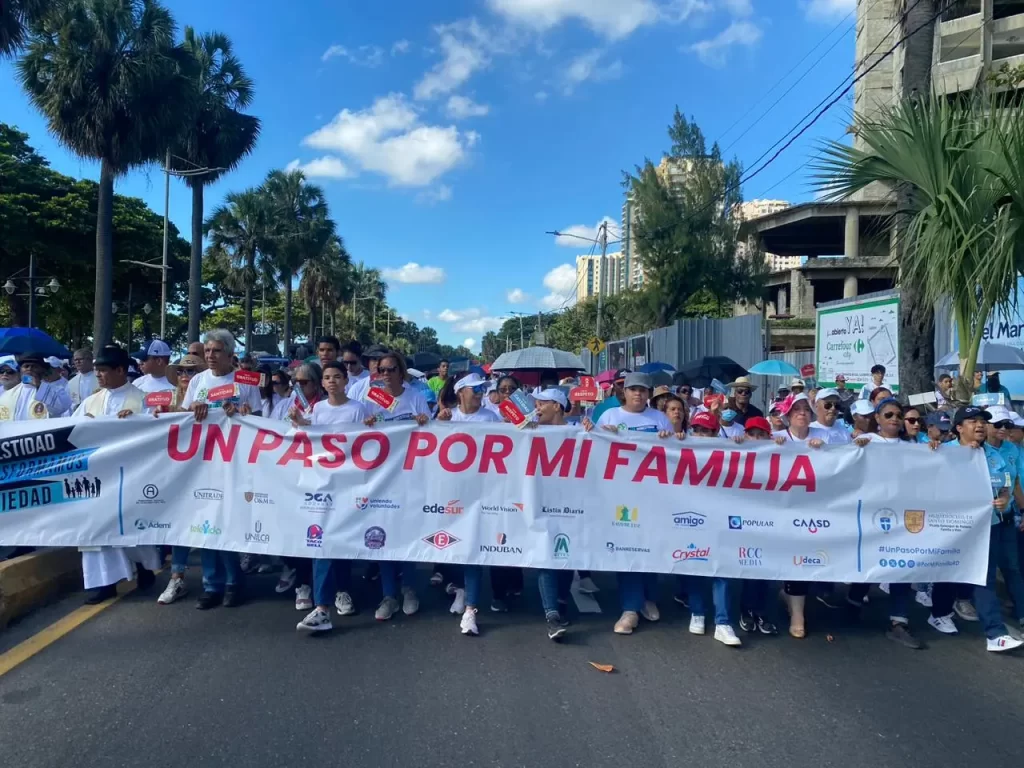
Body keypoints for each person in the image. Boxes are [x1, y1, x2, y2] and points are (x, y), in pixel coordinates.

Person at [586, 372, 679, 637]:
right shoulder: (610, 417)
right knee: (627, 548)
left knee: (650, 546)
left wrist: (669, 439)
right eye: (633, 389)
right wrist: (603, 434)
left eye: (643, 390)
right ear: (624, 392)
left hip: (653, 494)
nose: (638, 394)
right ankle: (629, 609)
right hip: (620, 494)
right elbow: (594, 450)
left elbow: (675, 454)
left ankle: (647, 597)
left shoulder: (659, 419)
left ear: (649, 394)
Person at [180, 329, 263, 610]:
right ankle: (210, 584)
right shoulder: (197, 381)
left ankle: (233, 582)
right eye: (207, 351)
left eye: (216, 351)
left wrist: (240, 412)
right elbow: (183, 417)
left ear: (230, 354)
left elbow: (259, 418)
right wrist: (194, 406)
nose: (210, 356)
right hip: (203, 462)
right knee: (204, 523)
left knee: (227, 522)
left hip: (234, 461)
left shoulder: (245, 381)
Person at [73, 346, 160, 604]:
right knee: (95, 529)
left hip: (128, 474)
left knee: (129, 525)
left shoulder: (142, 399)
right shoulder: (91, 402)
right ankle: (104, 583)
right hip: (95, 475)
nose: (98, 375)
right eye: (97, 370)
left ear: (120, 370)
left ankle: (144, 567)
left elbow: (156, 428)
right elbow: (70, 430)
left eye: (102, 370)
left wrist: (137, 420)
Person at [933, 406, 1024, 652]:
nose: (980, 425)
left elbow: (1006, 484)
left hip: (988, 526)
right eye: (972, 421)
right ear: (959, 428)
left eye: (983, 421)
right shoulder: (943, 452)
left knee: (984, 577)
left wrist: (1005, 500)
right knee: (950, 572)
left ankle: (995, 634)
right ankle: (939, 612)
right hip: (952, 528)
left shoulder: (994, 455)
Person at [293, 361, 371, 633]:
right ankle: (322, 605)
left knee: (341, 540)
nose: (332, 381)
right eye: (327, 377)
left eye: (337, 376)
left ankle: (342, 591)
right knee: (321, 540)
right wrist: (301, 424)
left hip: (350, 484)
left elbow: (370, 440)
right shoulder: (318, 409)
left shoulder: (358, 408)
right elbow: (313, 439)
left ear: (345, 381)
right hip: (323, 484)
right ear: (322, 383)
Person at [361, 352, 431, 620]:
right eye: (382, 370)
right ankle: (388, 595)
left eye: (391, 369)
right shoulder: (372, 399)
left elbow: (430, 433)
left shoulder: (415, 398)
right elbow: (360, 436)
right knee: (383, 536)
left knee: (405, 535)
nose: (386, 374)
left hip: (409, 477)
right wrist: (366, 425)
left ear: (401, 372)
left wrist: (426, 424)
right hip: (382, 478)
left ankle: (409, 589)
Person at [435, 373, 501, 636]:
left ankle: (471, 609)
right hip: (451, 492)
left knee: (473, 547)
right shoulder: (447, 417)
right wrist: (435, 424)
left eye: (482, 389)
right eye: (474, 389)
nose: (479, 393)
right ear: (460, 392)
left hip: (481, 492)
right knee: (452, 545)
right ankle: (460, 589)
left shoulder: (491, 418)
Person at [525, 387, 576, 640]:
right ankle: (551, 614)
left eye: (542, 403)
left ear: (557, 406)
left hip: (572, 503)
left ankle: (561, 599)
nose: (537, 407)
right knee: (545, 554)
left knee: (567, 555)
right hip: (540, 500)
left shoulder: (579, 430)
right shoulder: (531, 429)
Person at [735, 415, 779, 637]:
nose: (756, 438)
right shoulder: (736, 450)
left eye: (761, 435)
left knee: (764, 568)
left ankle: (759, 611)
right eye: (752, 434)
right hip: (742, 516)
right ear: (745, 435)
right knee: (749, 565)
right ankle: (747, 610)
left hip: (767, 516)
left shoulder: (776, 452)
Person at [0, 351, 70, 421]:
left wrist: (39, 385)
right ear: (20, 370)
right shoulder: (7, 394)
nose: (29, 369)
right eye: (26, 366)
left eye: (34, 366)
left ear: (42, 370)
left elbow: (61, 408)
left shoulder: (55, 390)